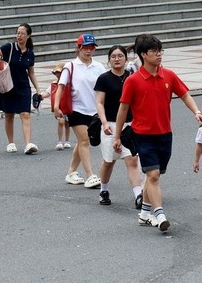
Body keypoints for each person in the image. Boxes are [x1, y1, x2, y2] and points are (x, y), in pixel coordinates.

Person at [112, 35, 202, 232]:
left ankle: (144, 213)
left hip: (165, 133)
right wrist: (117, 136)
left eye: (160, 51)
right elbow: (123, 109)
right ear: (143, 55)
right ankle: (159, 214)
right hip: (143, 135)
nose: (159, 55)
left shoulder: (169, 75)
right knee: (152, 175)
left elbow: (184, 94)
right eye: (154, 51)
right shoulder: (133, 81)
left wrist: (196, 111)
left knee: (155, 176)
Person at [94, 45, 143, 208]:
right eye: (113, 56)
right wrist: (104, 122)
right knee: (109, 161)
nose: (117, 59)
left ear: (126, 59)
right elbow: (99, 103)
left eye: (120, 56)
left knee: (132, 159)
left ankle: (138, 196)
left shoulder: (132, 77)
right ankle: (104, 189)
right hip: (110, 124)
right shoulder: (104, 79)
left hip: (130, 125)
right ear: (109, 60)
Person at [57, 33, 105, 189]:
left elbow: (105, 87)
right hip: (76, 109)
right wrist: (56, 106)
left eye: (92, 48)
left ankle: (71, 171)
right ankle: (90, 175)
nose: (89, 51)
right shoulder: (70, 66)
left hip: (94, 110)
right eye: (86, 48)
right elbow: (61, 87)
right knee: (85, 141)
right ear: (78, 48)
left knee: (83, 141)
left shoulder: (98, 67)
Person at [0, 24, 41, 154]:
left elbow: (31, 72)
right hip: (7, 86)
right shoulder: (9, 47)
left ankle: (28, 144)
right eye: (17, 33)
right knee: (9, 115)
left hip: (23, 87)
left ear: (28, 35)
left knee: (26, 114)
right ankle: (11, 143)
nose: (19, 36)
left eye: (22, 33)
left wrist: (38, 89)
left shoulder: (30, 53)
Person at [39, 63, 71, 150]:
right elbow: (48, 93)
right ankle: (60, 141)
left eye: (60, 72)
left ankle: (67, 140)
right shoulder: (54, 84)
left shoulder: (69, 84)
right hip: (59, 106)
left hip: (67, 106)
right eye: (57, 73)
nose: (58, 74)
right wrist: (41, 96)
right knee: (61, 122)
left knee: (67, 124)